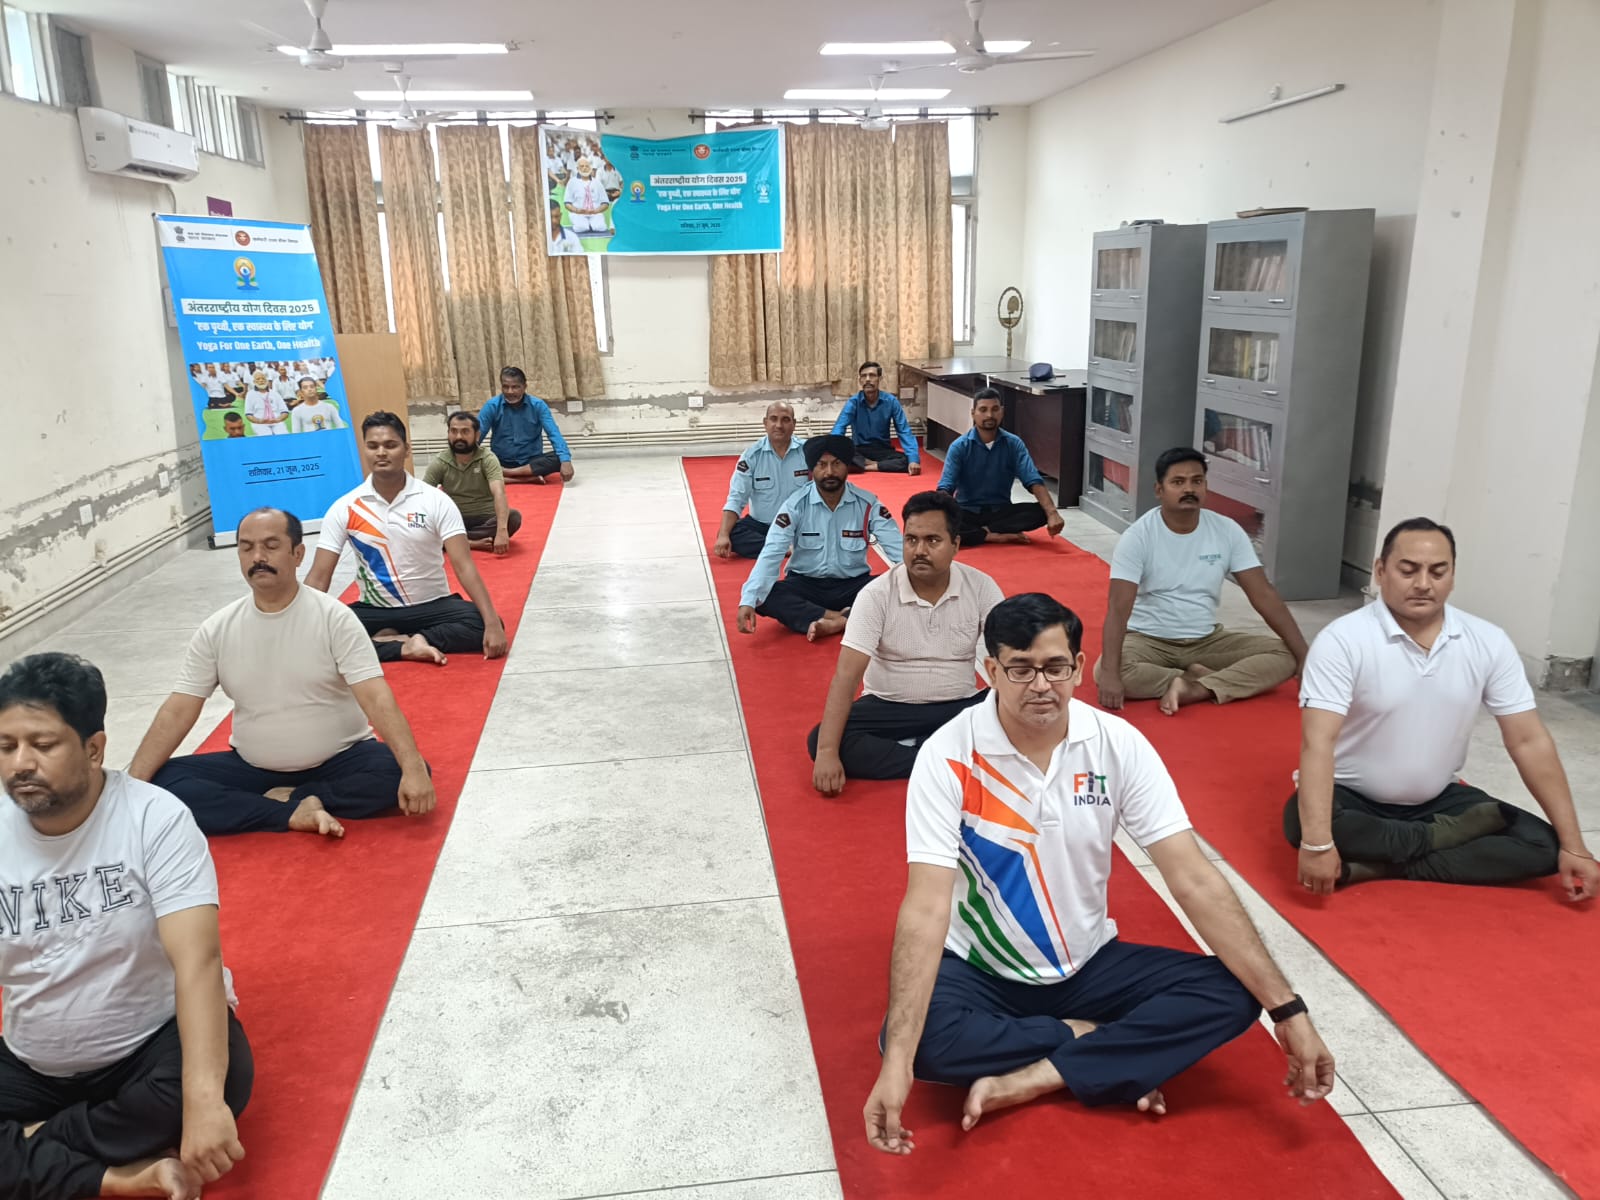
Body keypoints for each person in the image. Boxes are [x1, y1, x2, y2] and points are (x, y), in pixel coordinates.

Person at [863, 594, 1336, 1155]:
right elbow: (926, 905)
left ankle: (1039, 1075)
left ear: (1079, 667)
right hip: (983, 969)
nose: (1041, 685)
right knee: (916, 1043)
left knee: (1235, 991)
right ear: (990, 670)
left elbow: (1193, 878)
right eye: (1020, 669)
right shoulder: (947, 756)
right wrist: (897, 1064)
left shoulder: (1118, 743)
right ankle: (1093, 1041)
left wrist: (1289, 1009)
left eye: (1055, 667)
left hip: (1088, 964)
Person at [0, 652, 253, 1199]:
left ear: (94, 749)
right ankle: (117, 1178)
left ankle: (32, 1147)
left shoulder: (154, 818)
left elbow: (199, 963)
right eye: (5, 746)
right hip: (34, 1062)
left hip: (147, 1048)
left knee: (218, 1081)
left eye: (42, 745)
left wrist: (203, 1102)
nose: (20, 763)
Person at [1288, 518, 1598, 897]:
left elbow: (1528, 740)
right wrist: (1318, 844)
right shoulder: (1343, 641)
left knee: (1542, 844)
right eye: (1408, 570)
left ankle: (1386, 864)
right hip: (1351, 796)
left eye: (1438, 572)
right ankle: (1435, 841)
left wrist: (1574, 846)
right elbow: (1318, 743)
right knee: (1302, 825)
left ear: (1452, 576)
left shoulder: (1487, 641)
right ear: (1381, 571)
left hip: (1438, 801)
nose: (1423, 584)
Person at [128, 507, 436, 839]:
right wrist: (131, 788)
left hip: (341, 760)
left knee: (401, 770)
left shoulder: (334, 618)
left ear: (297, 554)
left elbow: (375, 697)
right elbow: (178, 710)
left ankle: (287, 799)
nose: (258, 557)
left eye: (271, 546)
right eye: (246, 547)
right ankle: (289, 811)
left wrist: (412, 768)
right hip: (253, 768)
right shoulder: (217, 628)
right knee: (165, 781)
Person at [809, 491, 1002, 794]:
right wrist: (826, 753)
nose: (919, 550)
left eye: (932, 541)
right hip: (889, 708)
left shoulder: (981, 586)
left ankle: (925, 751)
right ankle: (942, 760)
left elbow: (1011, 657)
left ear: (955, 545)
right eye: (911, 540)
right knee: (821, 740)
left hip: (959, 705)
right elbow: (846, 676)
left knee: (1017, 707)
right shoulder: (876, 595)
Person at [1096, 447, 1307, 716]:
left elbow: (1263, 594)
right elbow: (1118, 608)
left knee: (1286, 655)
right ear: (1159, 490)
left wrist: (1305, 656)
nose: (1189, 489)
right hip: (1148, 640)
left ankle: (1195, 688)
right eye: (1178, 482)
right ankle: (1199, 680)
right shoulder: (1138, 537)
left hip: (1207, 641)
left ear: (1206, 486)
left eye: (1197, 481)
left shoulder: (1227, 530)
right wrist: (1111, 674)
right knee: (1107, 670)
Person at [305, 411, 509, 666]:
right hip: (375, 610)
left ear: (406, 450)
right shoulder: (345, 507)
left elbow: (464, 565)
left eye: (390, 445)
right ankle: (404, 646)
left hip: (432, 607)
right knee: (321, 635)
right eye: (373, 446)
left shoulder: (435, 500)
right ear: (364, 450)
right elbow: (319, 576)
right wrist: (297, 621)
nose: (381, 453)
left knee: (483, 624)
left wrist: (491, 622)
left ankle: (404, 640)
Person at [737, 434, 903, 641]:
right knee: (764, 595)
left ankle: (830, 621)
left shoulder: (868, 504)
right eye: (822, 465)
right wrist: (748, 600)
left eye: (837, 464)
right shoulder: (795, 505)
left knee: (897, 586)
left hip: (853, 585)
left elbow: (897, 548)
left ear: (847, 466)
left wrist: (915, 581)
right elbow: (772, 552)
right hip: (806, 585)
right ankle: (842, 618)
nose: (829, 472)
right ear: (811, 469)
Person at [936, 387, 1065, 546]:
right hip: (967, 512)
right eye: (983, 410)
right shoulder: (959, 446)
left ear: (1002, 412)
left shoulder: (1014, 444)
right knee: (942, 518)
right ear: (973, 413)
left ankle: (980, 533)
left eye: (995, 409)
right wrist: (941, 512)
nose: (989, 415)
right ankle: (992, 536)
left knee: (1041, 511)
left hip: (1000, 512)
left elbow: (1033, 480)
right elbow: (946, 486)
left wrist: (1052, 513)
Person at [713, 401, 809, 559]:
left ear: (794, 424)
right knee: (731, 533)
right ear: (765, 423)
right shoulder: (751, 456)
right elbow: (736, 498)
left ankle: (776, 546)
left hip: (800, 525)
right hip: (763, 527)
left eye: (785, 420)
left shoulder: (808, 452)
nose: (779, 425)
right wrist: (723, 535)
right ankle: (786, 547)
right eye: (773, 419)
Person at [424, 411, 522, 555]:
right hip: (453, 519)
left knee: (513, 518)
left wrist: (502, 531)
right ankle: (471, 543)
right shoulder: (440, 461)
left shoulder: (487, 459)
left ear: (477, 435)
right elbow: (423, 495)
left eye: (465, 432)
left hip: (485, 518)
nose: (459, 437)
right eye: (454, 431)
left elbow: (499, 493)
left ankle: (453, 541)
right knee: (420, 523)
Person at [478, 367, 575, 484]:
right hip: (500, 461)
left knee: (558, 458)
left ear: (524, 387)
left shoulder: (538, 405)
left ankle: (506, 474)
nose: (510, 391)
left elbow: (554, 433)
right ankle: (526, 478)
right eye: (505, 387)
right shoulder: (492, 405)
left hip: (530, 462)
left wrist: (565, 461)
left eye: (515, 387)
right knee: (475, 462)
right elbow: (477, 435)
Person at [833, 361, 921, 475]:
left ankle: (866, 466)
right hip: (859, 450)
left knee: (907, 460)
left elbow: (904, 431)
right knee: (842, 453)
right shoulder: (853, 402)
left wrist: (913, 460)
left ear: (880, 379)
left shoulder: (891, 401)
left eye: (872, 375)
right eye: (864, 376)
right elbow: (839, 427)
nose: (867, 379)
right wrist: (834, 449)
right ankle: (879, 465)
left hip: (882, 450)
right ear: (860, 380)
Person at [563, 157, 612, 236]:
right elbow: (567, 203)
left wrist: (596, 211)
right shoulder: (572, 182)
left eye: (587, 166)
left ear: (590, 168)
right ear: (577, 168)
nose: (584, 168)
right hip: (578, 213)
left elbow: (605, 203)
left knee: (600, 228)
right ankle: (586, 224)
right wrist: (577, 210)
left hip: (595, 212)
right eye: (582, 166)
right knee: (581, 228)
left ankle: (591, 223)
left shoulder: (597, 182)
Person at [243, 371, 289, 437]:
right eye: (258, 379)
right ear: (254, 382)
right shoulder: (250, 394)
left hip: (277, 421)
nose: (261, 380)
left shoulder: (275, 393)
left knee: (283, 437)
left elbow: (285, 411)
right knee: (267, 437)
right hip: (259, 422)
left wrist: (278, 419)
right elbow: (248, 414)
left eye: (263, 378)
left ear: (267, 380)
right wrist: (259, 421)